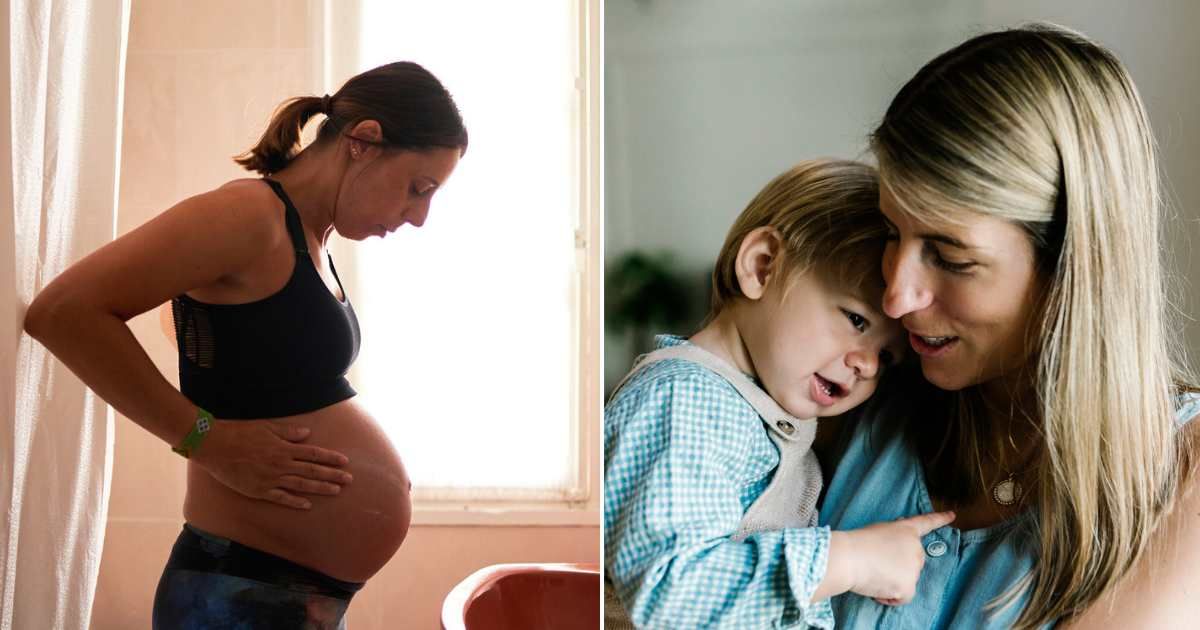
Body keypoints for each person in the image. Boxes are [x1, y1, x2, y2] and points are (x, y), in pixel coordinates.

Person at [22, 60, 466, 628]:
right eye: (418, 188)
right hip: (235, 594)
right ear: (363, 141)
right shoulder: (247, 215)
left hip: (290, 594)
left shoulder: (312, 237)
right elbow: (63, 313)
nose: (420, 216)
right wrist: (203, 440)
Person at [817, 23, 1200, 629]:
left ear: (1072, 266)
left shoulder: (1184, 477)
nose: (896, 296)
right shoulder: (857, 390)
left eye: (952, 257)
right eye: (891, 233)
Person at [604, 159, 950, 628]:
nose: (867, 364)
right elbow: (671, 593)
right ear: (762, 267)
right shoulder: (682, 399)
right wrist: (849, 560)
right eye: (855, 319)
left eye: (886, 358)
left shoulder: (755, 410)